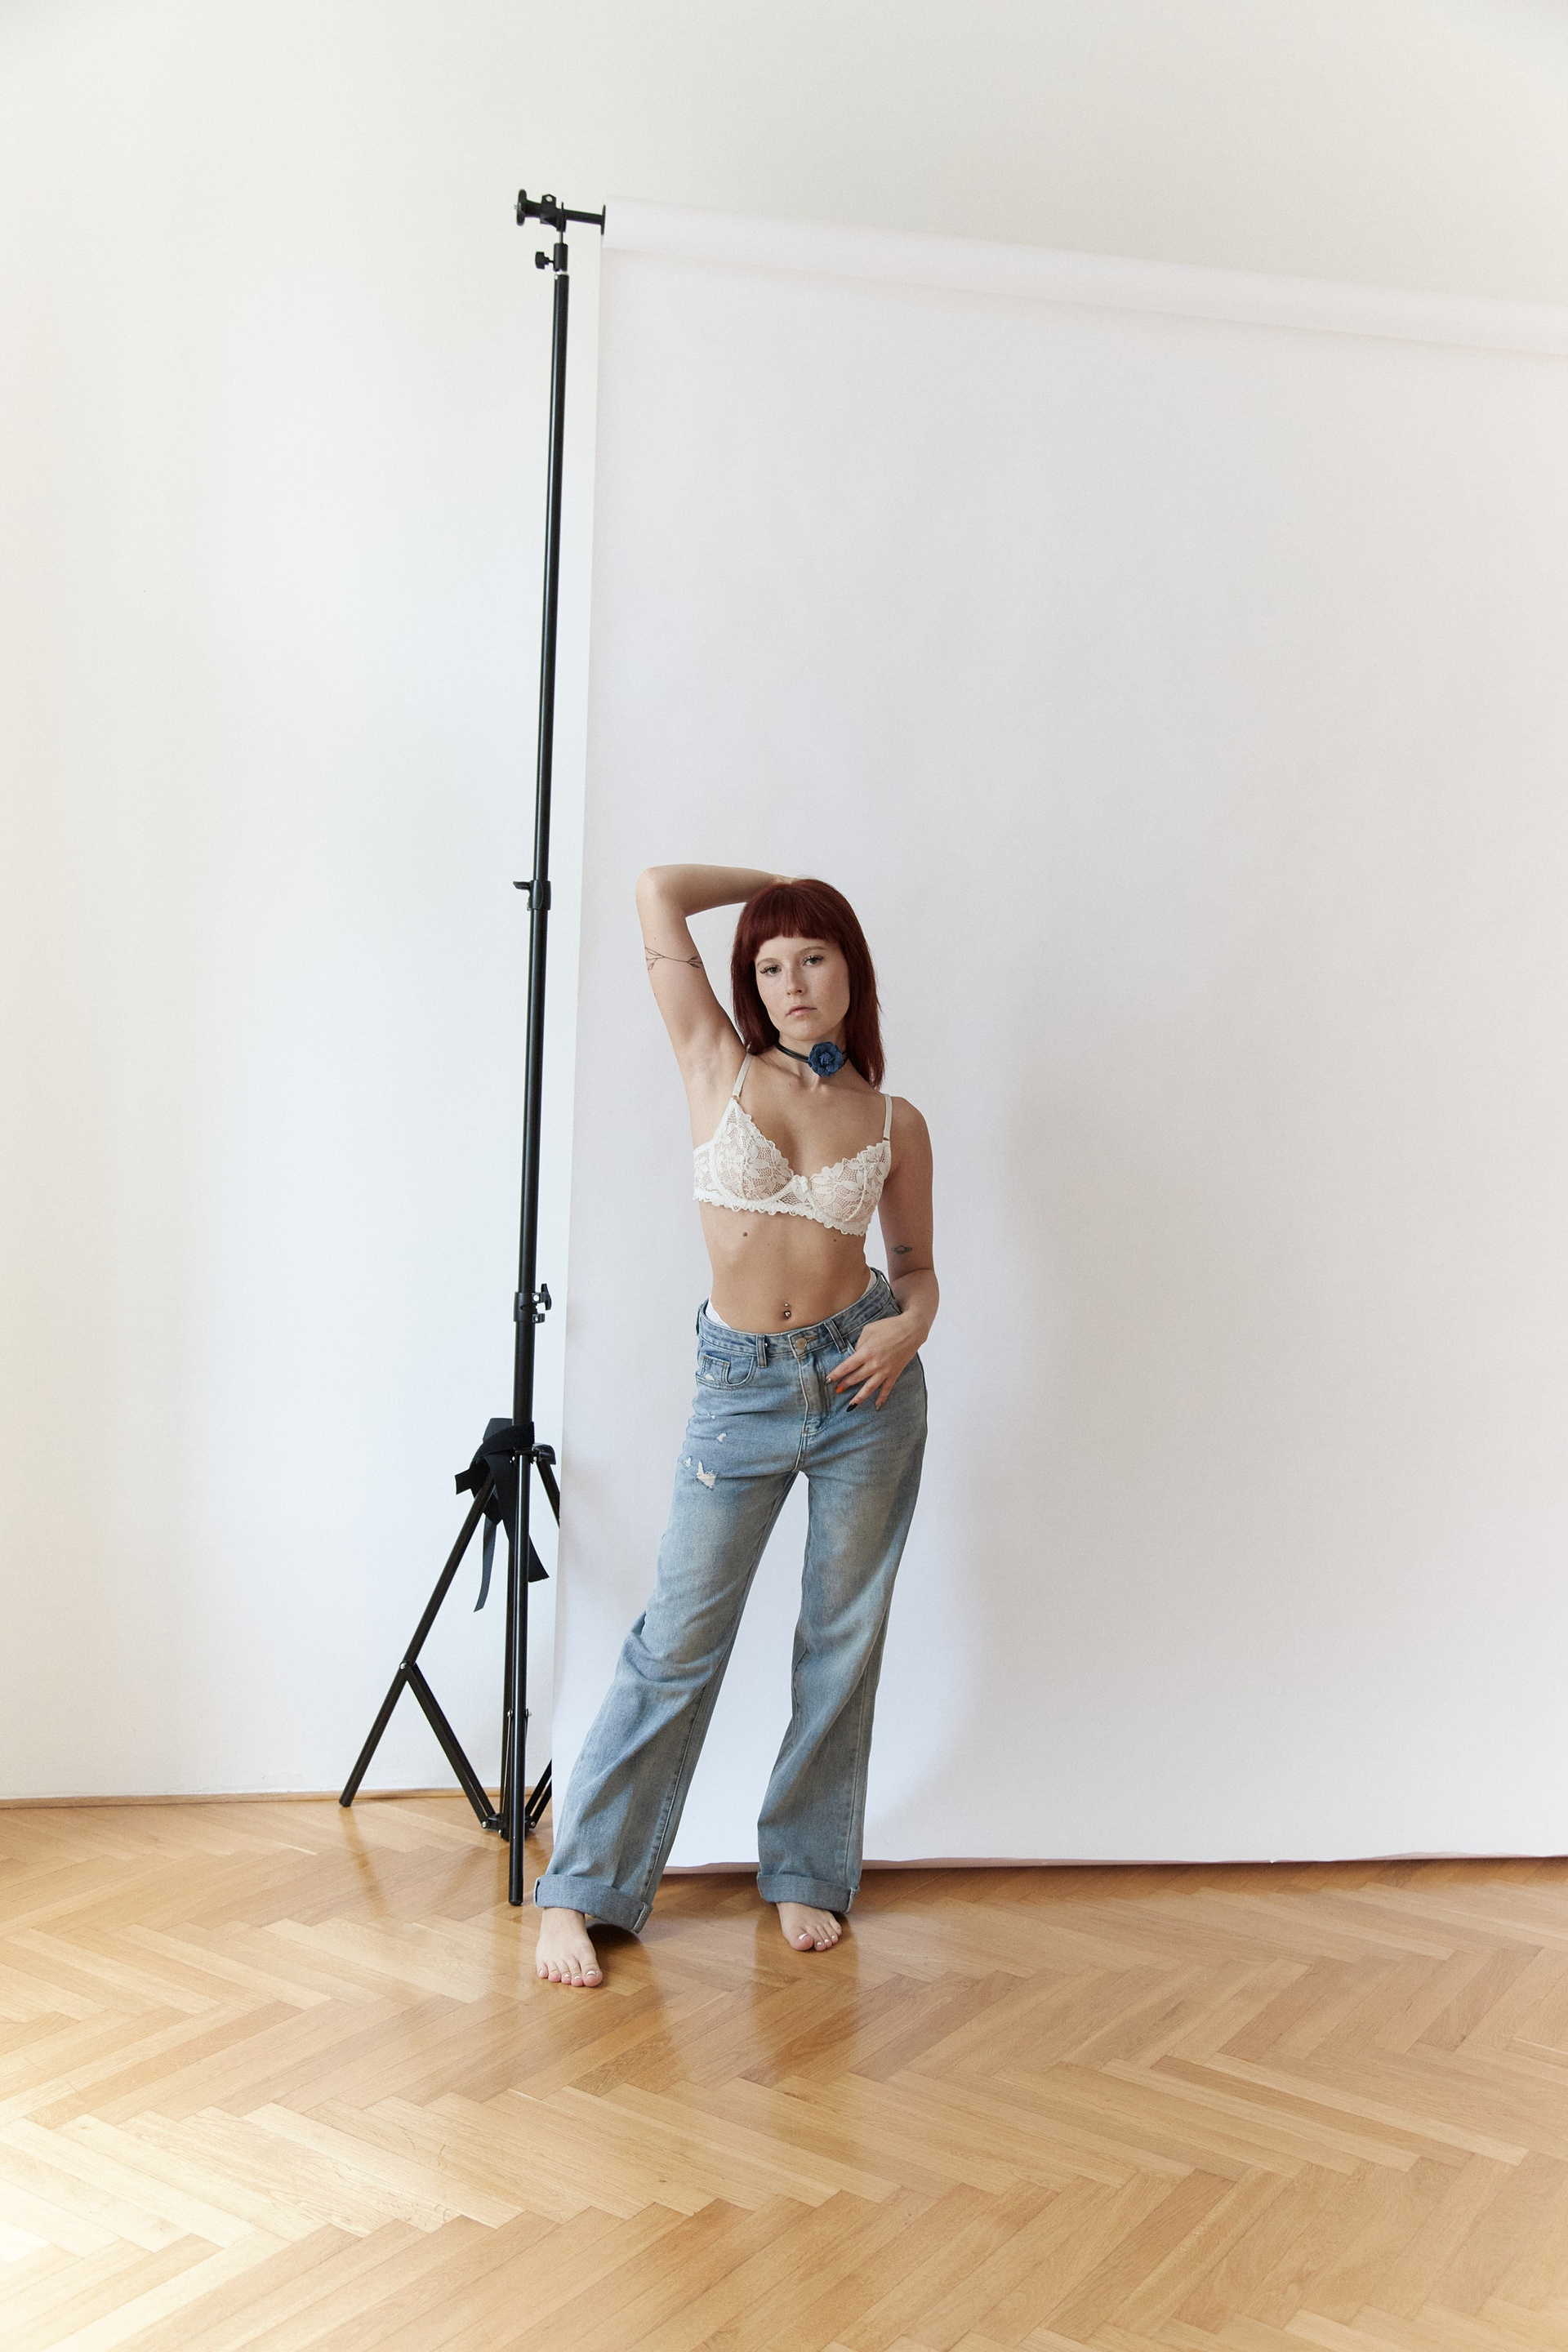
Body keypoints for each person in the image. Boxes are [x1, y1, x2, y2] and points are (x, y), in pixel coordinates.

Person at [532, 865, 938, 1987]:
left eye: (813, 954)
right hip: (740, 1390)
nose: (790, 981)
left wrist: (910, 1328)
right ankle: (581, 1890)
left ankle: (806, 1867)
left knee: (841, 1639)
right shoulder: (715, 1060)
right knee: (676, 1643)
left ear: (850, 969)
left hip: (865, 1389)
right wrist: (783, 890)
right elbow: (656, 890)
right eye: (767, 964)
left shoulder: (893, 1121)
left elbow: (916, 1269)